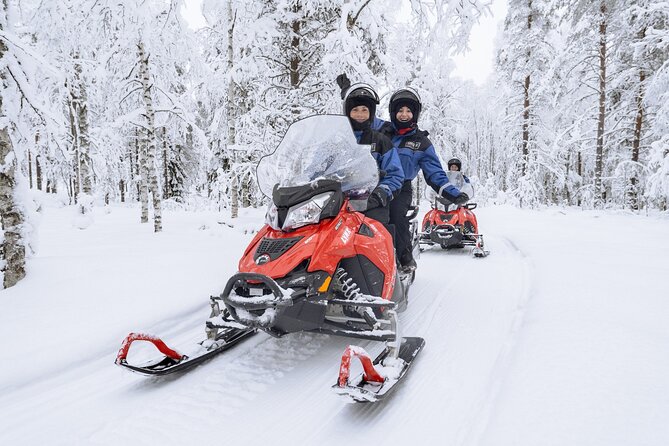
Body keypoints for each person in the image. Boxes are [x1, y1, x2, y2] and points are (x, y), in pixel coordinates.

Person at [379, 88, 469, 271]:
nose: (404, 115)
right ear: (393, 112)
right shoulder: (382, 131)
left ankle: (404, 258)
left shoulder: (421, 142)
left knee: (394, 216)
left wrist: (454, 194)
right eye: (400, 110)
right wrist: (349, 95)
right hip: (374, 185)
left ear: (415, 114)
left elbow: (434, 173)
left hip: (400, 188)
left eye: (408, 111)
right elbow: (359, 120)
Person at [342, 83, 404, 226]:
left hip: (371, 201)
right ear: (348, 112)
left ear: (371, 113)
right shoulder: (337, 140)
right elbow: (320, 166)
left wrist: (381, 193)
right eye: (355, 109)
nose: (360, 114)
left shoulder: (381, 141)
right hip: (338, 200)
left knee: (375, 232)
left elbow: (395, 174)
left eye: (364, 110)